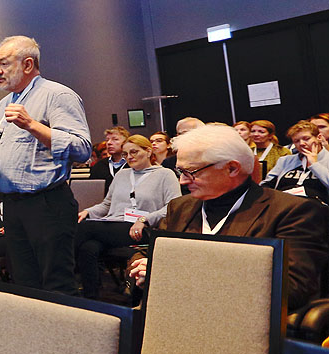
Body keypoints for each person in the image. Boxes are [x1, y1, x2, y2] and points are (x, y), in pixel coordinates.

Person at [130, 124, 329, 310]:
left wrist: (175, 274)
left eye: (191, 172)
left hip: (242, 323)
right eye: (180, 171)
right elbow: (151, 253)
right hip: (177, 311)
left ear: (232, 168)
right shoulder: (181, 207)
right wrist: (143, 268)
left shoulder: (292, 212)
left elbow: (291, 289)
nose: (182, 181)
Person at [0, 35, 91, 295]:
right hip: (13, 206)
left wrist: (32, 125)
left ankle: (67, 336)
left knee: (57, 284)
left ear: (28, 64)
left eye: (4, 64)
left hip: (47, 205)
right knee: (24, 285)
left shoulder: (57, 95)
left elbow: (82, 149)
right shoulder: (3, 105)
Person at [72, 135, 180, 297]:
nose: (129, 157)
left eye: (134, 152)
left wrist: (144, 219)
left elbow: (173, 207)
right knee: (89, 248)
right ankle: (91, 299)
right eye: (125, 154)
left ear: (148, 151)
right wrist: (88, 212)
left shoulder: (165, 174)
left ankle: (60, 278)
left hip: (143, 229)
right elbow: (106, 205)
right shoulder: (122, 175)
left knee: (85, 228)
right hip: (113, 227)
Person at [261, 120, 329, 204]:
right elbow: (266, 185)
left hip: (316, 207)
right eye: (296, 141)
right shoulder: (285, 160)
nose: (302, 143)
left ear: (318, 137)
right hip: (283, 204)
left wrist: (314, 164)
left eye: (306, 139)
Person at [90, 127, 130, 193]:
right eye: (107, 140)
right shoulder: (99, 166)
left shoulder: (132, 164)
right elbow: (91, 191)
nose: (109, 143)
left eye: (115, 139)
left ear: (125, 143)